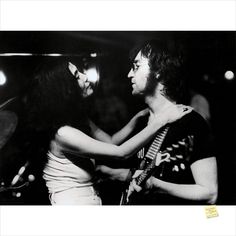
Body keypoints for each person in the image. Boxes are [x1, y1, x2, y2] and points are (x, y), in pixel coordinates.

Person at [24, 58, 191, 205]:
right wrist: (162, 120)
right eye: (76, 76)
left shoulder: (78, 119)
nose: (85, 76)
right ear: (64, 90)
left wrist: (138, 118)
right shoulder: (63, 134)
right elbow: (120, 153)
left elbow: (111, 141)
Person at [97, 40, 218, 205]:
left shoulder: (191, 123)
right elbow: (144, 171)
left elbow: (210, 193)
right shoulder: (140, 121)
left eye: (136, 66)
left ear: (159, 70)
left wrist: (156, 185)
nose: (129, 74)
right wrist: (113, 173)